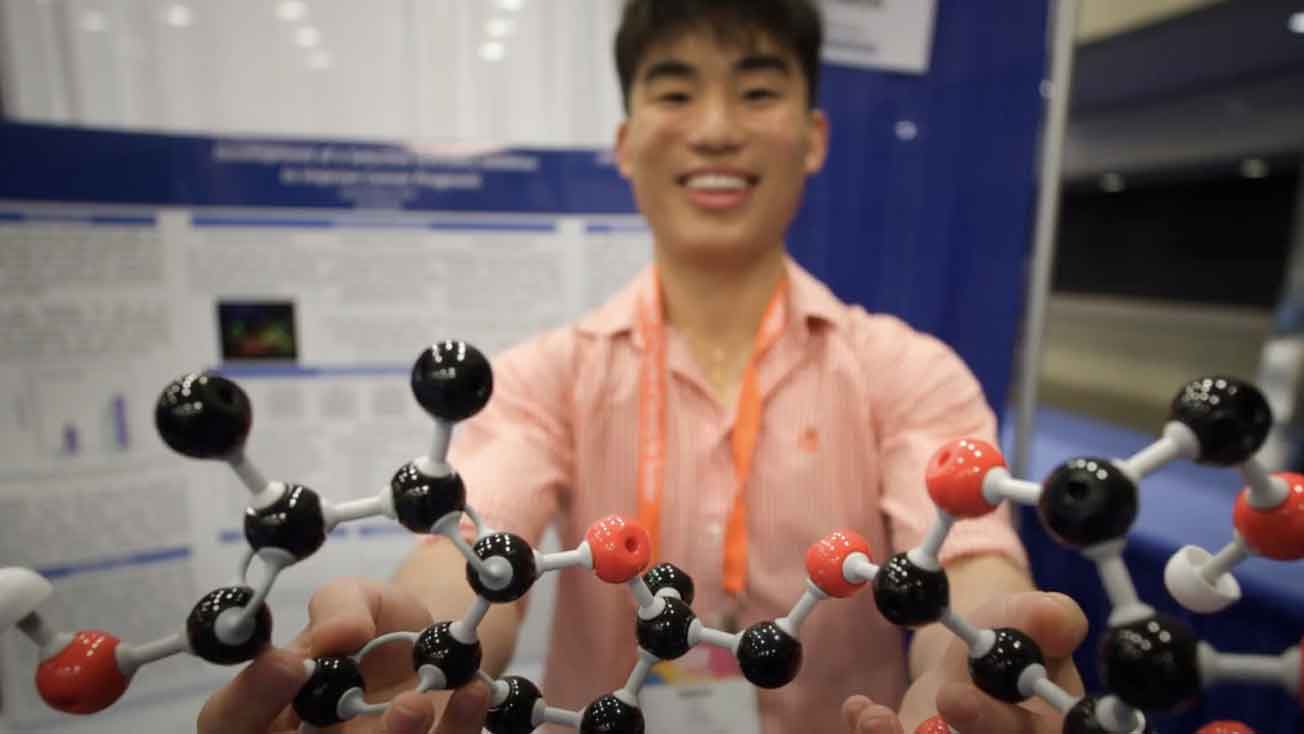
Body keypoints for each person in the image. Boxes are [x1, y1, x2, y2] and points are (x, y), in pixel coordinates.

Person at [197, 2, 1088, 733]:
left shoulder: (909, 373)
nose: (714, 131)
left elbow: (969, 563)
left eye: (757, 91)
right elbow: (471, 551)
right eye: (674, 91)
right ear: (626, 144)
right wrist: (417, 641)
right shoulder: (545, 379)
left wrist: (986, 650)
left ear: (813, 137)